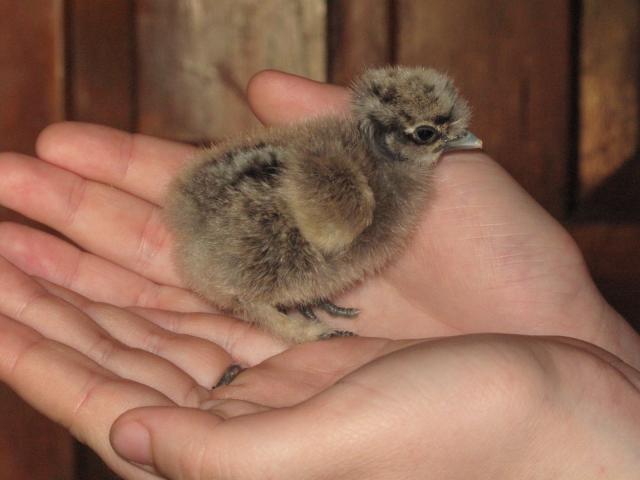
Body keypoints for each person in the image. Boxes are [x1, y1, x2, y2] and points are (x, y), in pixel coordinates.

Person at [0, 71, 638, 479]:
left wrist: (576, 358)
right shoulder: (349, 191)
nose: (458, 142)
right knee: (318, 235)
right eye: (429, 134)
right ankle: (277, 313)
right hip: (245, 250)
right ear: (388, 137)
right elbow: (265, 216)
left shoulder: (362, 167)